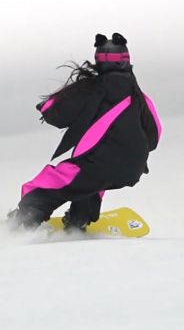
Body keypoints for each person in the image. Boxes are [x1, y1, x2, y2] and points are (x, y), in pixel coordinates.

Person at [9, 32, 162, 231]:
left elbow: (55, 113)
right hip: (132, 167)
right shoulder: (139, 96)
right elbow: (155, 133)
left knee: (55, 180)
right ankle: (78, 219)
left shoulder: (90, 89)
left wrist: (46, 106)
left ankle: (26, 218)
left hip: (98, 163)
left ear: (98, 60)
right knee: (91, 183)